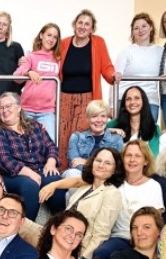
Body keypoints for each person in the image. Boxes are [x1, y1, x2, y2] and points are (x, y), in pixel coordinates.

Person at [0, 92, 65, 221]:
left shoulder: (35, 125)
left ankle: (60, 221)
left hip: (41, 169)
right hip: (14, 175)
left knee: (54, 180)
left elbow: (51, 146)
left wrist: (51, 162)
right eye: (1, 108)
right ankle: (26, 226)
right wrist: (29, 173)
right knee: (30, 185)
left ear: (19, 107)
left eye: (8, 106)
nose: (5, 111)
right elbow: (3, 159)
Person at [57, 9, 116, 167]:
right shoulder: (64, 43)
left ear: (92, 29)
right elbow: (49, 60)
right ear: (74, 25)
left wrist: (113, 75)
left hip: (87, 99)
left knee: (81, 136)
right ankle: (63, 174)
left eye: (87, 24)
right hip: (64, 98)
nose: (82, 26)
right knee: (62, 137)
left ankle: (80, 170)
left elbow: (107, 67)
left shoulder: (98, 43)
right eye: (80, 23)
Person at [62, 147, 124, 259]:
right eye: (98, 160)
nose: (101, 165)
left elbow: (100, 235)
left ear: (114, 170)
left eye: (108, 163)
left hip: (75, 248)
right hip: (59, 236)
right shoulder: (85, 187)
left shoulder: (112, 194)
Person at [13, 23, 62, 141]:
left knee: (49, 142)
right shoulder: (31, 57)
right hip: (27, 109)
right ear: (41, 35)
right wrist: (28, 72)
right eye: (49, 35)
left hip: (47, 111)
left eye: (55, 37)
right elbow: (16, 77)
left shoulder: (58, 59)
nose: (51, 39)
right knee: (22, 143)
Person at [114, 13, 164, 122]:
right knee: (125, 131)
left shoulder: (160, 51)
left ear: (151, 27)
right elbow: (114, 78)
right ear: (133, 32)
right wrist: (111, 105)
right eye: (136, 28)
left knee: (148, 131)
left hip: (150, 100)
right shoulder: (127, 51)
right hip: (126, 99)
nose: (140, 30)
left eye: (144, 26)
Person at [60, 100, 124, 179]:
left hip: (106, 178)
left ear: (107, 118)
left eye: (103, 116)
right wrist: (99, 168)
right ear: (87, 119)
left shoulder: (117, 139)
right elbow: (75, 163)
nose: (99, 120)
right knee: (72, 173)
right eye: (94, 116)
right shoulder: (76, 137)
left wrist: (86, 162)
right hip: (81, 177)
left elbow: (117, 166)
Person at [108, 86, 162, 156]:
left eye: (137, 98)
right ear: (124, 103)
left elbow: (155, 157)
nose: (132, 102)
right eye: (128, 99)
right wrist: (108, 131)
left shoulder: (154, 129)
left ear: (143, 101)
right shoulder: (112, 125)